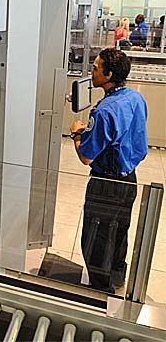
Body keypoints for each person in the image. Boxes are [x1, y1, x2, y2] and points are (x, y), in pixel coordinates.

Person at [70, 48, 148, 293]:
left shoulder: (104, 111)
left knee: (96, 238)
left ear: (109, 74)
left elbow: (85, 156)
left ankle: (100, 290)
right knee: (119, 229)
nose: (91, 72)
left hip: (106, 183)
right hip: (129, 180)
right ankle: (117, 276)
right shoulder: (135, 98)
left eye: (95, 68)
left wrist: (76, 133)